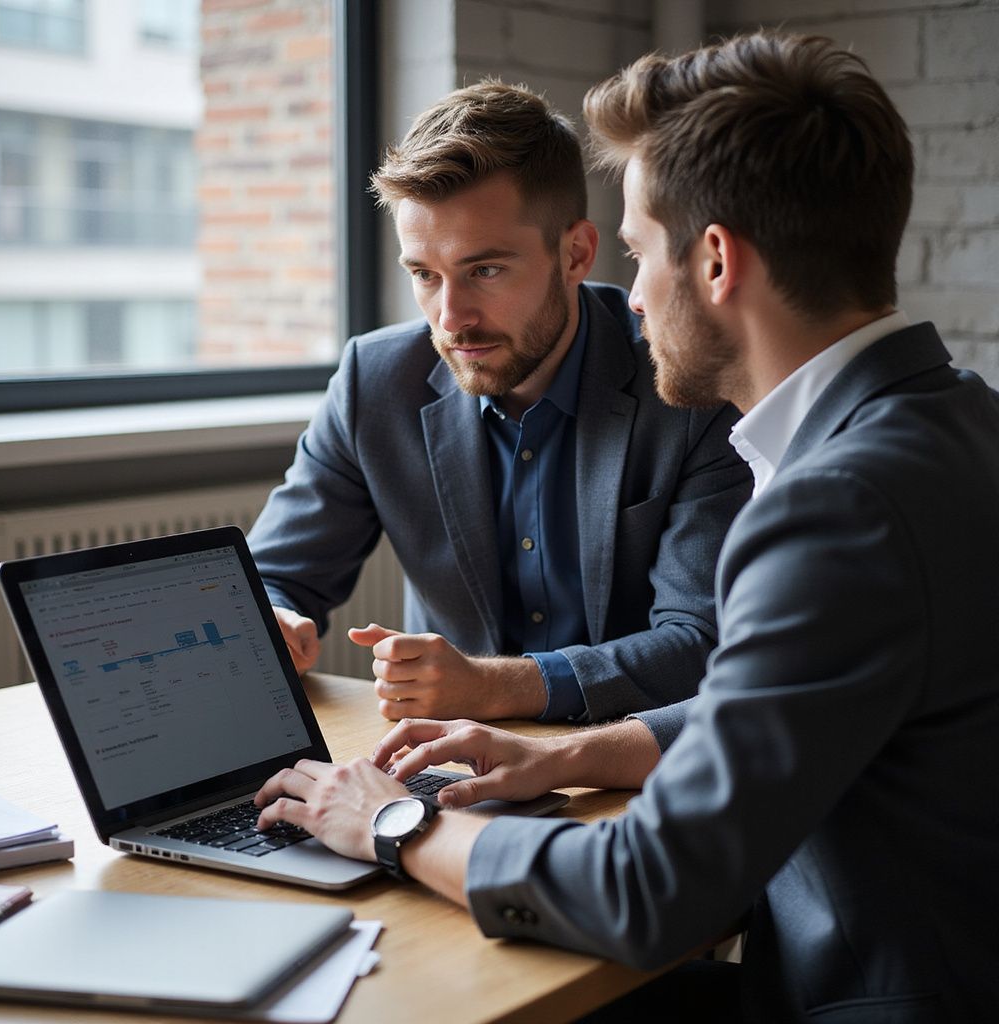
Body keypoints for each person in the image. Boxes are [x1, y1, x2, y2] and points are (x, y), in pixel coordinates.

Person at [253, 32, 999, 1021]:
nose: (634, 298)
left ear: (717, 261)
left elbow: (645, 889)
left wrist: (389, 822)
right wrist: (566, 753)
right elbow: (798, 705)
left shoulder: (836, 505)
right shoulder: (962, 420)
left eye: (641, 251)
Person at [248, 80, 749, 724]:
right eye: (425, 275)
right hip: (445, 766)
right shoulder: (374, 382)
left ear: (574, 253)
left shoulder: (687, 385)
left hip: (625, 769)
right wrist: (277, 619)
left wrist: (494, 688)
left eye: (484, 270)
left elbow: (700, 644)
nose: (451, 319)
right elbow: (272, 574)